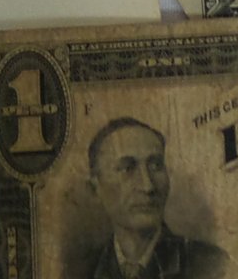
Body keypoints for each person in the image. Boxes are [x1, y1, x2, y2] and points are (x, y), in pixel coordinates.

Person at [84, 119, 225, 279]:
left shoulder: (211, 265)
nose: (148, 186)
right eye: (127, 168)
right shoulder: (82, 271)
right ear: (95, 189)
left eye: (156, 166)